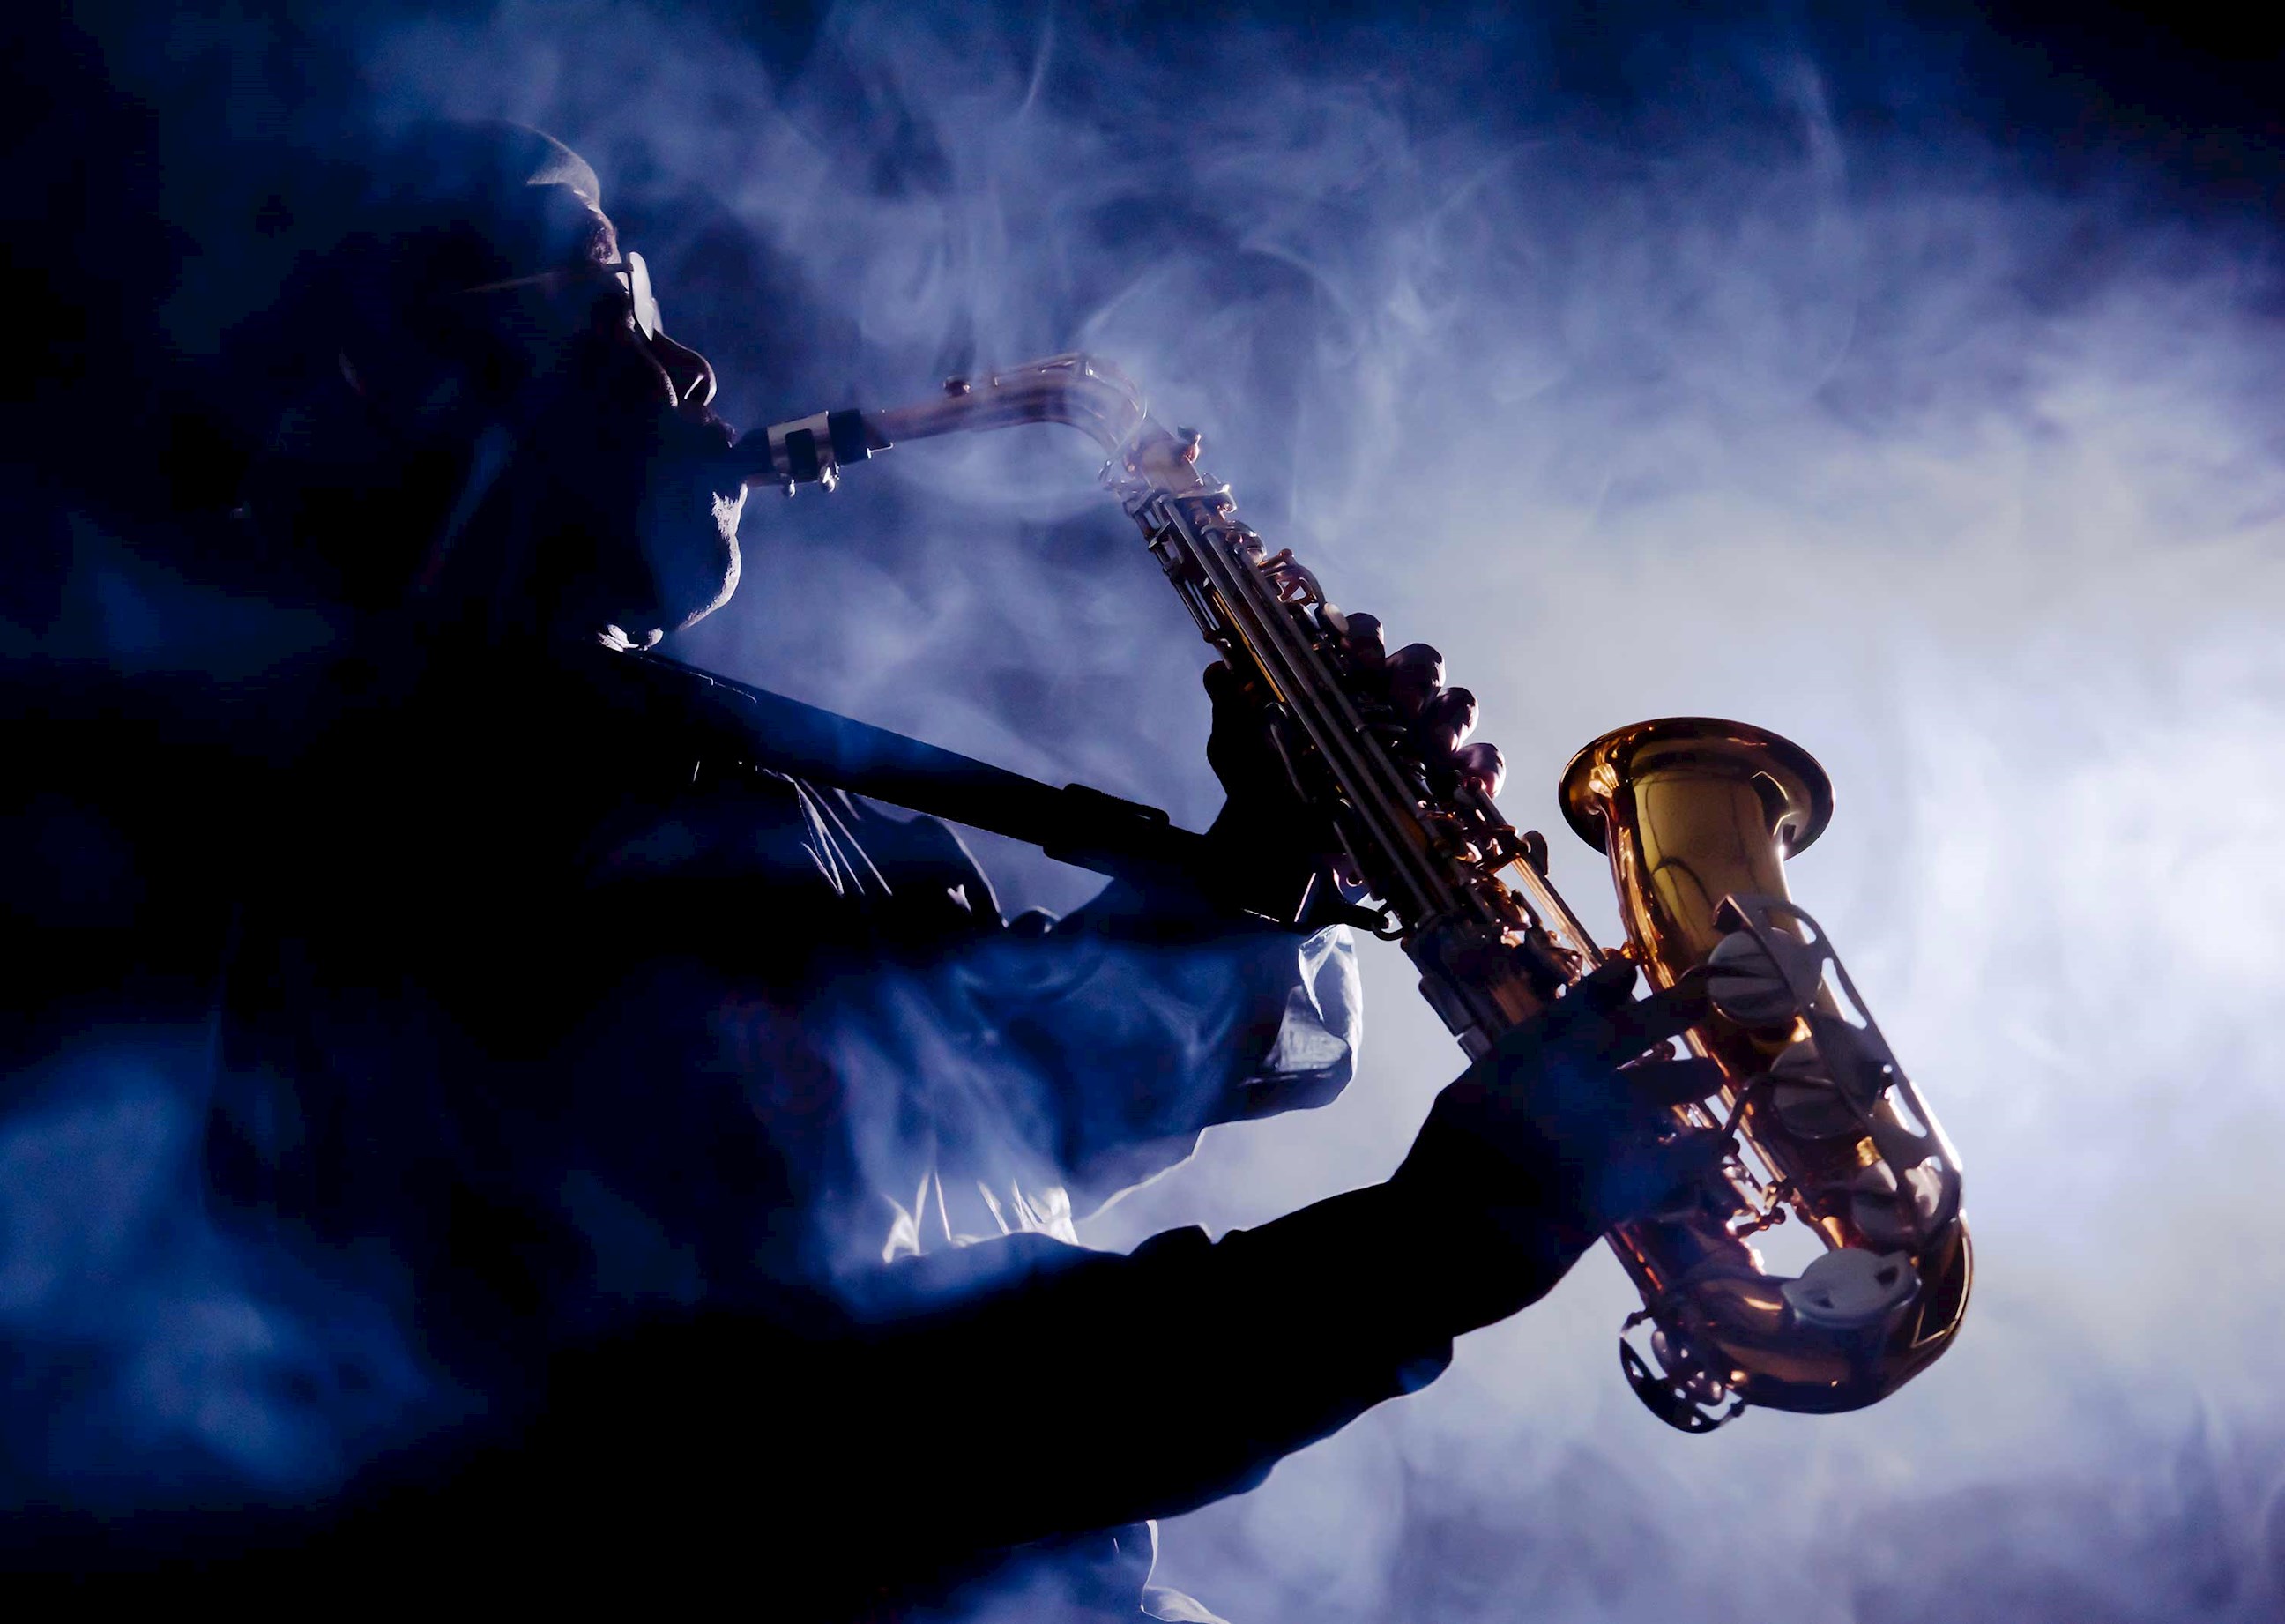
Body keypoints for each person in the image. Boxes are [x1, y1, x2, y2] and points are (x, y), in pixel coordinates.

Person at [58, 123, 1720, 1616]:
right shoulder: (461, 826)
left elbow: (1012, 1120)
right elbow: (832, 1430)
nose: (698, 366)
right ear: (444, 397)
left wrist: (1274, 848)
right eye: (621, 313)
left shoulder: (689, 778)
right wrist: (1434, 1245)